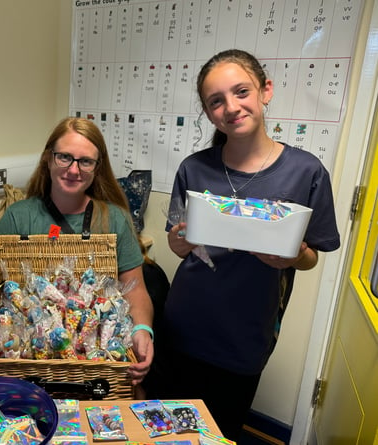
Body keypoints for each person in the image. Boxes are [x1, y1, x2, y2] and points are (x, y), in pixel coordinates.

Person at [146, 49, 340, 440]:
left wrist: (293, 256)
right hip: (184, 323)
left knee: (218, 432)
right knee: (164, 430)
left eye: (241, 92)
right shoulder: (194, 167)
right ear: (207, 110)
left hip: (245, 335)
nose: (230, 107)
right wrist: (178, 244)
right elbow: (181, 245)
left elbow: (312, 258)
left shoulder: (307, 172)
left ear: (265, 91)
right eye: (216, 101)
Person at [0, 117, 155, 388]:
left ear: (97, 168)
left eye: (85, 161)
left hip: (96, 372)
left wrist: (142, 330)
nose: (74, 170)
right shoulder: (19, 217)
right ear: (48, 159)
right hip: (25, 366)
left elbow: (136, 290)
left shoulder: (113, 219)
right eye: (64, 157)